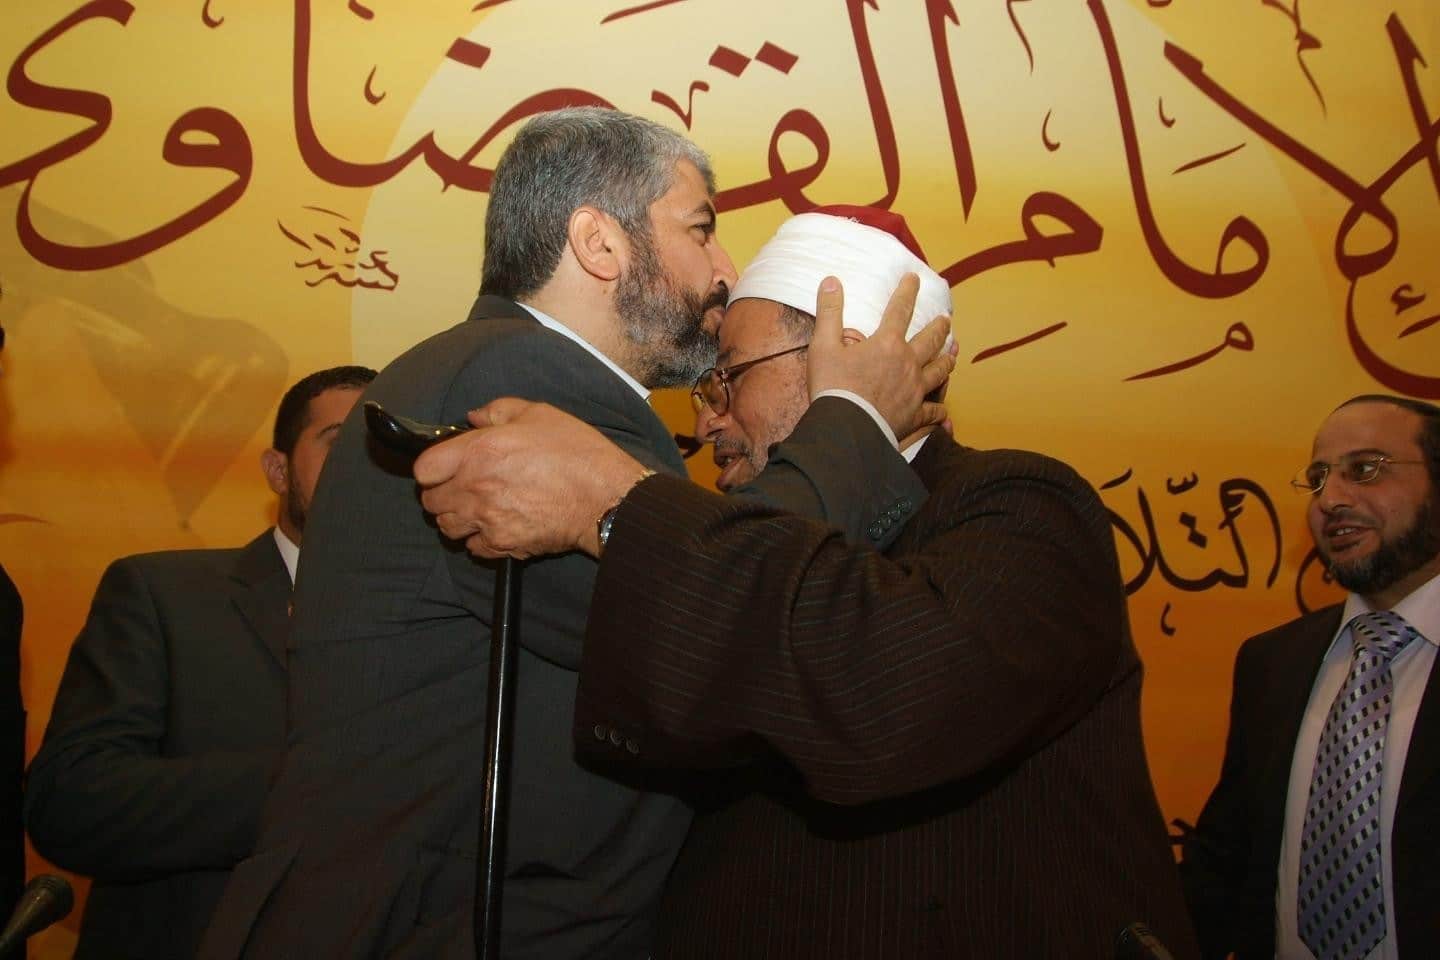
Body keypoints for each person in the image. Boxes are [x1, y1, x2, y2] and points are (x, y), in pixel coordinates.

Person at [200, 111, 950, 960]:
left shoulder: (500, 367)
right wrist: (855, 417)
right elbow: (718, 603)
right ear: (599, 244)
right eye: (700, 228)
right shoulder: (523, 375)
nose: (723, 269)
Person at [413, 207, 1200, 959]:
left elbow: (877, 692)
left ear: (849, 356)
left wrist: (615, 503)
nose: (708, 421)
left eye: (729, 378)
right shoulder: (749, 537)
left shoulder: (1024, 507)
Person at [24, 364, 375, 959]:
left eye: (386, 449)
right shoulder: (165, 596)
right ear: (278, 470)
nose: (367, 468)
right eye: (340, 443)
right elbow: (72, 803)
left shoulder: (457, 619)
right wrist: (311, 787)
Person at [1180, 395, 1440, 960]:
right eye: (1318, 478)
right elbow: (1224, 861)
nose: (1330, 500)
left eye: (1364, 470)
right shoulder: (1272, 663)